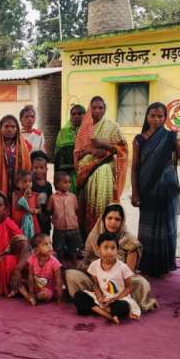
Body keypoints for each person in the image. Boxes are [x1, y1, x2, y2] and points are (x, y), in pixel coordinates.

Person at [131, 102, 180, 278]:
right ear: (147, 117)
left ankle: (164, 265)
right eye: (152, 115)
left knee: (166, 227)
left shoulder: (171, 137)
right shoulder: (139, 139)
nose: (156, 119)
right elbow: (135, 167)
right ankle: (146, 265)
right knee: (147, 228)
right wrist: (135, 193)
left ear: (165, 118)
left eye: (160, 116)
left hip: (167, 189)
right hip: (147, 189)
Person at [65, 204, 155, 312]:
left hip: (119, 285)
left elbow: (129, 272)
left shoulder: (130, 241)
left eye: (117, 219)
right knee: (71, 275)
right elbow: (87, 262)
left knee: (142, 284)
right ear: (103, 219)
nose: (113, 222)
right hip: (96, 281)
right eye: (110, 218)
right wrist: (95, 274)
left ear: (122, 221)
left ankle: (97, 305)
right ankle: (102, 303)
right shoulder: (94, 236)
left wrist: (111, 279)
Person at [73, 96, 128, 236]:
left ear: (105, 109)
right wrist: (91, 151)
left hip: (105, 171)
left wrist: (104, 144)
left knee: (103, 205)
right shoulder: (84, 129)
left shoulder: (112, 127)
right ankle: (88, 238)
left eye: (100, 108)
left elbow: (122, 149)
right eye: (94, 108)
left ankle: (105, 235)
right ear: (89, 109)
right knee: (86, 206)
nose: (97, 110)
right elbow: (78, 154)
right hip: (86, 175)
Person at [73, 232, 141, 325]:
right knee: (78, 295)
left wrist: (116, 299)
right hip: (103, 299)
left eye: (113, 248)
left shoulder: (123, 267)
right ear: (98, 249)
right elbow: (95, 285)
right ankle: (109, 316)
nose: (109, 251)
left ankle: (96, 309)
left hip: (118, 299)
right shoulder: (94, 265)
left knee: (124, 306)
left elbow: (129, 287)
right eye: (105, 247)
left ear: (117, 250)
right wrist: (100, 298)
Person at [48, 171, 82, 267]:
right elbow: (49, 210)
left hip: (73, 226)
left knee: (74, 246)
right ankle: (60, 264)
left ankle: (74, 262)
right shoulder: (53, 198)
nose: (68, 184)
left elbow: (76, 209)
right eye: (65, 182)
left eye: (69, 182)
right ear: (57, 184)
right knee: (59, 247)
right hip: (59, 227)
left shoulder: (73, 197)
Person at [22, 233, 63, 306]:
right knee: (19, 282)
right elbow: (30, 277)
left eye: (50, 243)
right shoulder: (32, 258)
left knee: (43, 294)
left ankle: (33, 298)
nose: (50, 246)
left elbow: (59, 280)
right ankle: (29, 296)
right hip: (35, 286)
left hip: (48, 289)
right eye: (45, 244)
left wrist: (59, 297)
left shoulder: (55, 262)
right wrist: (31, 292)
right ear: (36, 250)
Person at [54, 104, 85, 192]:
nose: (76, 116)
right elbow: (57, 154)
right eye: (73, 114)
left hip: (84, 172)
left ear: (85, 115)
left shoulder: (90, 132)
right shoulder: (63, 132)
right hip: (67, 173)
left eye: (79, 114)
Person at [10, 170, 40, 240]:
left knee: (33, 241)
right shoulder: (16, 194)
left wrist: (35, 211)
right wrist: (25, 196)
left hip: (32, 223)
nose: (28, 184)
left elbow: (40, 209)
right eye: (24, 182)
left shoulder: (35, 195)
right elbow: (17, 207)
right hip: (19, 223)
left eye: (30, 181)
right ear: (17, 184)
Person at [30, 151, 52, 236]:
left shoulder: (48, 185)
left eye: (42, 167)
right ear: (32, 168)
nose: (38, 170)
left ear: (46, 169)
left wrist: (48, 214)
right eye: (36, 168)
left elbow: (50, 200)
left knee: (45, 236)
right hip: (34, 217)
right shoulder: (31, 185)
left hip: (45, 218)